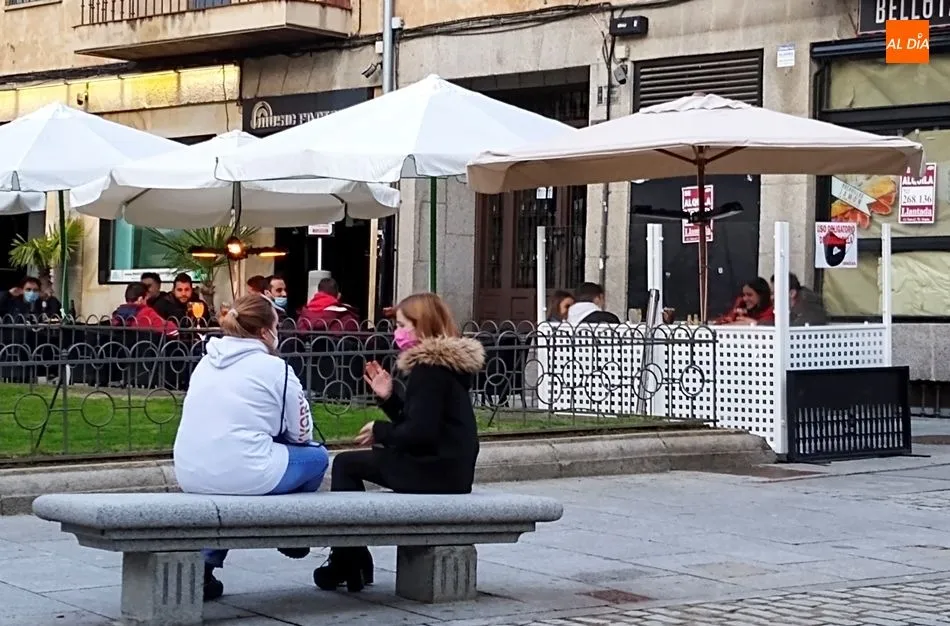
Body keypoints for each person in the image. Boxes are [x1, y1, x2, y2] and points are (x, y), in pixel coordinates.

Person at [312, 292, 485, 593]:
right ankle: (351, 557)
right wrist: (390, 398)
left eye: (403, 325)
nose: (397, 333)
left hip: (434, 472)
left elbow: (420, 434)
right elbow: (422, 422)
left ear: (422, 327)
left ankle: (348, 558)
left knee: (345, 464)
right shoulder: (443, 366)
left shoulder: (429, 370)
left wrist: (380, 430)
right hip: (450, 469)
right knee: (358, 462)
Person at [173, 294, 329, 601]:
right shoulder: (276, 369)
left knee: (228, 495)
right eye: (277, 324)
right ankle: (291, 532)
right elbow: (301, 433)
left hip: (191, 471)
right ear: (264, 331)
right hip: (247, 470)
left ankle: (205, 565)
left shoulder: (206, 360)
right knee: (317, 457)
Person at [110, 282, 178, 336]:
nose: (147, 302)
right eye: (146, 298)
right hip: (147, 351)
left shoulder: (117, 315)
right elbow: (172, 330)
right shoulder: (146, 313)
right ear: (140, 299)